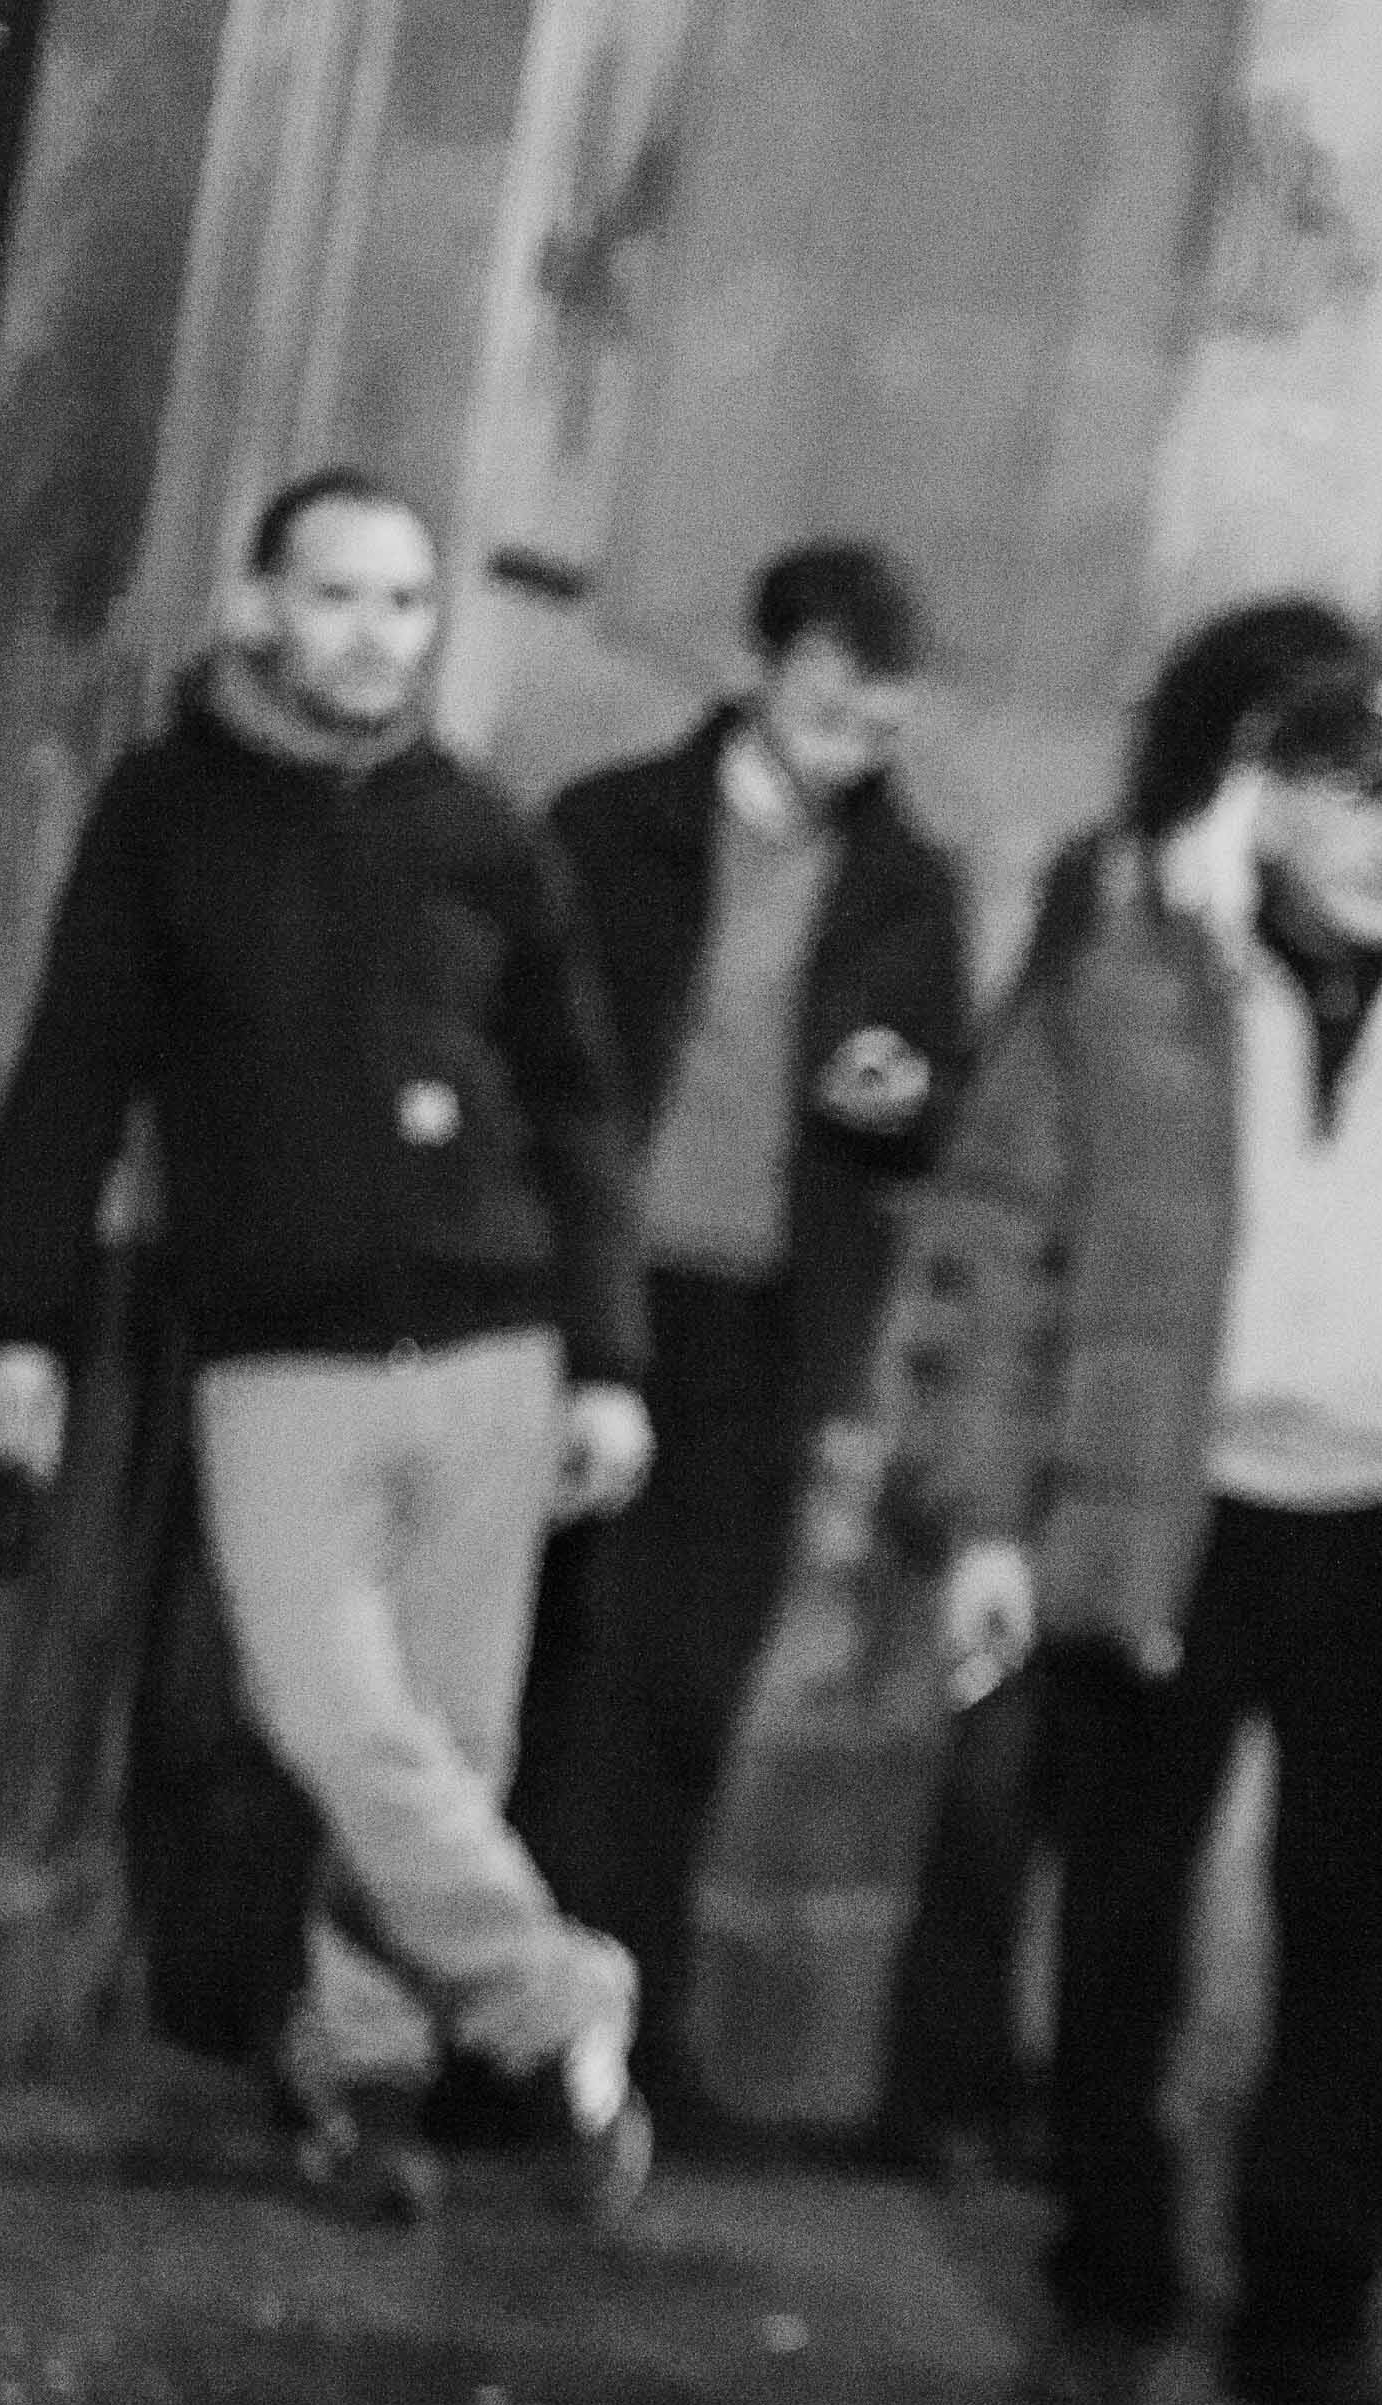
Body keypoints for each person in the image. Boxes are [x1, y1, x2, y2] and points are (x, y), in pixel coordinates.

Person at [898, 647, 1382, 2405]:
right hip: (1172, 1509)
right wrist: (986, 1514)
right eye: (1364, 796)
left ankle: (1310, 2316)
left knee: (1368, 1944)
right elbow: (993, 1253)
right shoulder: (1129, 991)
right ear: (1278, 801)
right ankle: (1110, 2284)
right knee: (1123, 1915)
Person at [0, 466, 651, 2224]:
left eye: (407, 602)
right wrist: (19, 1330)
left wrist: (611, 1360)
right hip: (276, 1357)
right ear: (259, 605)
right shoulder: (165, 812)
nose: (374, 635)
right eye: (337, 595)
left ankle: (371, 2083)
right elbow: (70, 1076)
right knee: (334, 1718)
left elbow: (578, 1111)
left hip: (494, 1347)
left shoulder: (484, 831)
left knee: (449, 1754)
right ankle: (553, 1993)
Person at [867, 593, 1377, 2180]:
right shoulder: (1117, 892)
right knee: (1002, 1758)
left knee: (1140, 1800)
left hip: (1216, 1437)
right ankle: (948, 2071)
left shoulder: (1346, 937)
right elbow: (1019, 1143)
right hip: (1079, 1400)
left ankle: (1087, 2084)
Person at [527, 539, 978, 2141]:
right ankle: (505, 2020)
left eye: (886, 704)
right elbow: (530, 1041)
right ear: (766, 665)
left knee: (688, 1679)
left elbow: (949, 1100)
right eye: (837, 688)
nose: (860, 730)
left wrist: (903, 1096)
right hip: (590, 1287)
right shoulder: (611, 828)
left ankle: (638, 2025)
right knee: (548, 1655)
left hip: (769, 1319)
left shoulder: (909, 883)